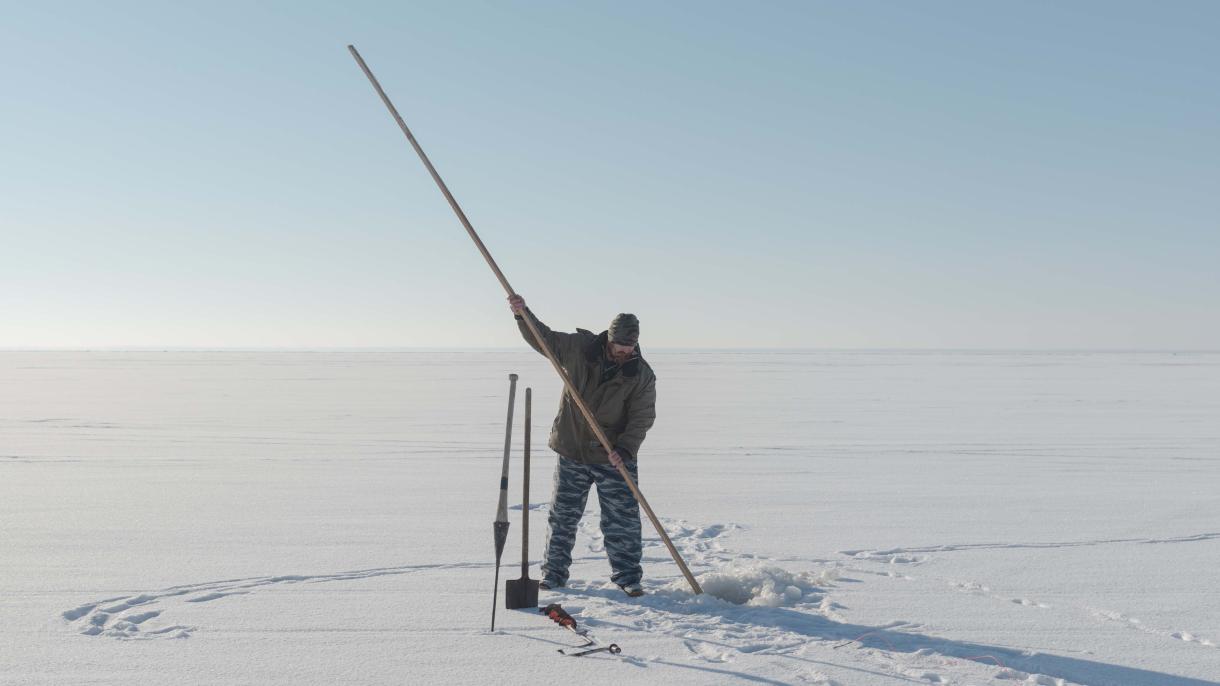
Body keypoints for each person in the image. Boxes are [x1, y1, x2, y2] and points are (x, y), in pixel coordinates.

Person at [507, 294, 656, 597]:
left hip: (613, 456)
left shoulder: (641, 374)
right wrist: (524, 315)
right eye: (618, 347)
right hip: (573, 449)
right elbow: (543, 339)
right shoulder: (579, 349)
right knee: (562, 515)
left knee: (623, 520)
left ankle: (628, 577)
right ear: (608, 339)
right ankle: (554, 574)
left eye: (629, 348)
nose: (623, 353)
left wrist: (625, 450)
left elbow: (642, 417)